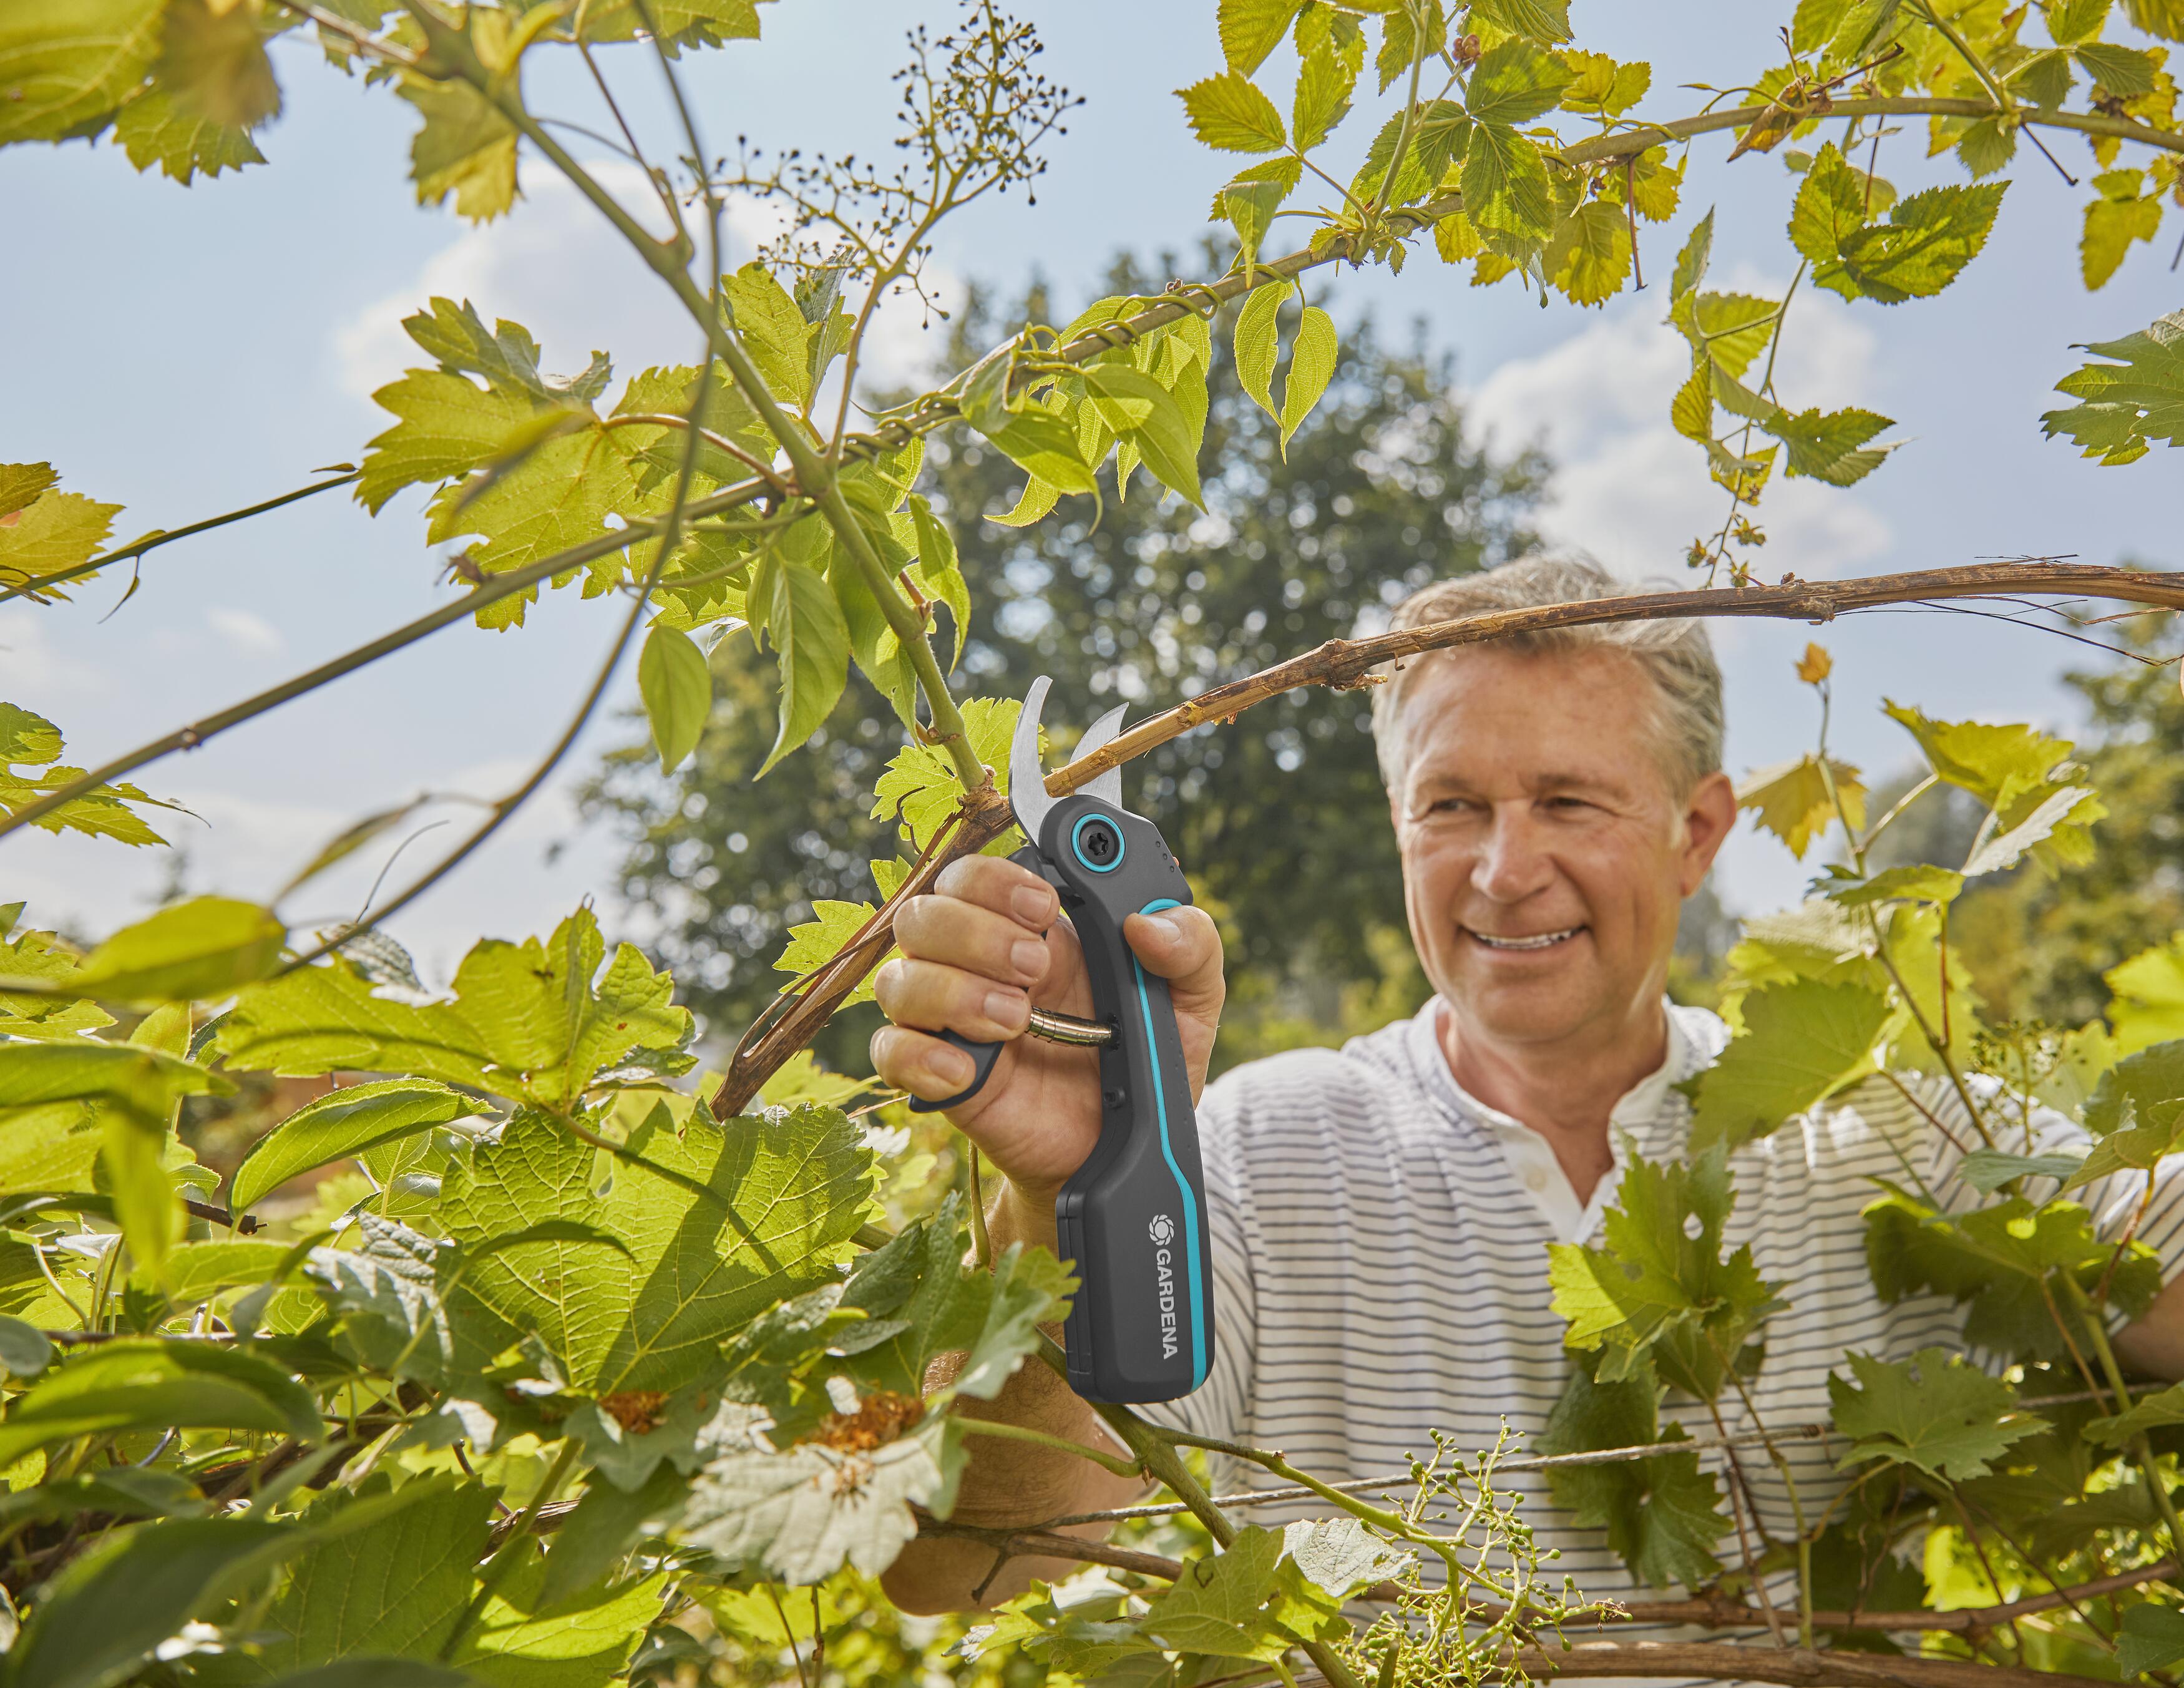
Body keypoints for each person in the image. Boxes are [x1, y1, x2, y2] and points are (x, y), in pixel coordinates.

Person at [871, 555, 2184, 1617]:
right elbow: (963, 1565)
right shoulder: (1251, 1151)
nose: (1503, 870)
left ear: (1699, 833)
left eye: (1567, 800)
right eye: (1450, 807)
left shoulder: (1891, 1124)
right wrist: (1065, 1207)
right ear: (1397, 826)